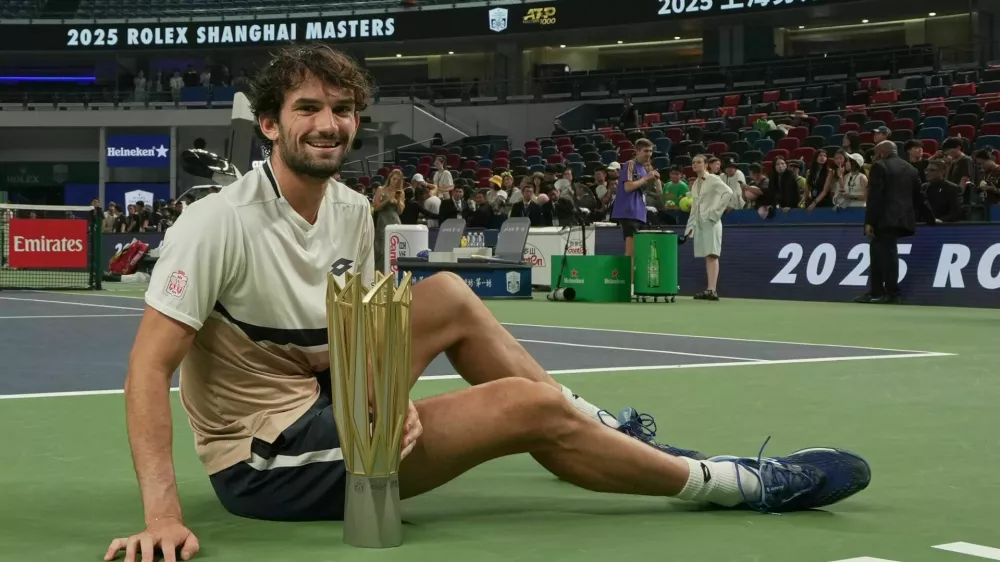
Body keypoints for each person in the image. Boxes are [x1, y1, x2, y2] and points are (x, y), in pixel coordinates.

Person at [105, 45, 872, 562]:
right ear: (270, 124)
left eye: (342, 109)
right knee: (523, 409)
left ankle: (597, 427)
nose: (328, 123)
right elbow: (147, 371)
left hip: (330, 409)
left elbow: (354, 339)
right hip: (268, 461)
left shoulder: (349, 210)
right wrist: (165, 518)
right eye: (308, 108)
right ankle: (733, 484)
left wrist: (378, 395)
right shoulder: (218, 223)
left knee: (444, 293)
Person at [855, 141, 934, 305]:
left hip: (883, 218)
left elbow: (875, 196)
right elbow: (919, 196)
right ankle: (876, 291)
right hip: (903, 218)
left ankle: (892, 292)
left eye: (876, 153)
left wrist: (869, 221)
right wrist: (931, 218)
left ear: (883, 152)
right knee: (877, 252)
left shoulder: (880, 166)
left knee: (886, 255)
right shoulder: (911, 169)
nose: (875, 156)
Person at [611, 138, 659, 288]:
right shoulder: (629, 165)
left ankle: (636, 283)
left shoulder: (645, 169)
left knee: (640, 252)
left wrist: (655, 179)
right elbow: (628, 187)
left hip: (640, 213)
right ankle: (628, 285)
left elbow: (657, 194)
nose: (648, 154)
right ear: (637, 151)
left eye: (650, 151)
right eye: (646, 151)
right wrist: (646, 177)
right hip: (628, 211)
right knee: (630, 251)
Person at [684, 155, 733, 301]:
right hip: (699, 223)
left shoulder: (713, 179)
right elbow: (694, 206)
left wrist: (715, 213)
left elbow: (728, 193)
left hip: (712, 221)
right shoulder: (695, 184)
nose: (695, 165)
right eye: (693, 162)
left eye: (698, 162)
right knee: (707, 255)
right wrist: (690, 227)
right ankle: (709, 289)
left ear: (706, 165)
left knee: (712, 254)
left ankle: (712, 290)